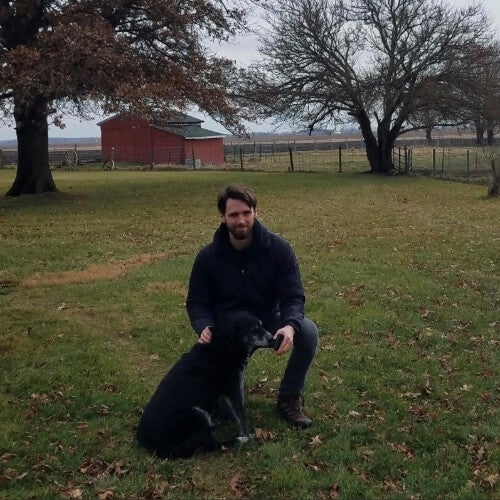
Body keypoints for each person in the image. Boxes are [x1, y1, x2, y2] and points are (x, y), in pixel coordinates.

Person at [186, 183, 319, 428]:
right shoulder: (208, 257)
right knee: (226, 415)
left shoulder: (279, 250)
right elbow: (197, 301)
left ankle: (289, 398)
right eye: (233, 214)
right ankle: (225, 394)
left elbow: (293, 295)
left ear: (256, 212)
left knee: (307, 331)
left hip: (267, 320)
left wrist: (290, 325)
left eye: (246, 213)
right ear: (223, 218)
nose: (241, 220)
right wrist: (203, 325)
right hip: (228, 329)